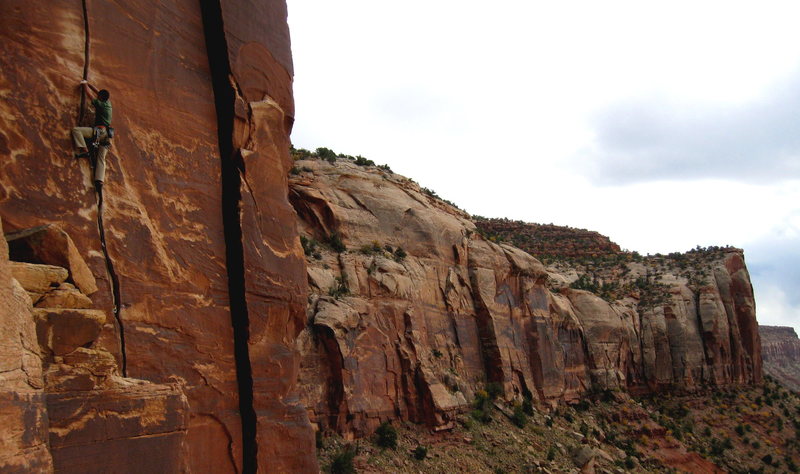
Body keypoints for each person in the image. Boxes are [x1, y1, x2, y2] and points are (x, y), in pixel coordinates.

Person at [71, 80, 113, 189]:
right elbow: (97, 91)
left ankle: (85, 151)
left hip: (98, 132)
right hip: (106, 135)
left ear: (100, 97)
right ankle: (99, 180)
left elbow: (89, 94)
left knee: (77, 131)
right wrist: (90, 84)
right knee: (101, 157)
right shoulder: (108, 103)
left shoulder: (99, 104)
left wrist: (85, 84)